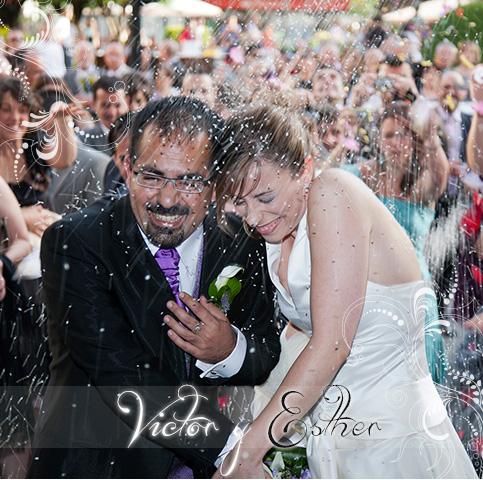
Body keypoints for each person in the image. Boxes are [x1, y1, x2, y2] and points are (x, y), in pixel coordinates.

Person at [213, 106, 476, 478]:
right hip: (336, 440)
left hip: (393, 441)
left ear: (304, 169)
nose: (253, 217)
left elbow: (333, 343)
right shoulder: (280, 225)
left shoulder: (333, 189)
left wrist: (250, 451)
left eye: (265, 197)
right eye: (241, 203)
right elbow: (299, 336)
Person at [29, 97, 281, 478]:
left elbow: (265, 349)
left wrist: (229, 350)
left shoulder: (242, 244)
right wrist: (230, 452)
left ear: (215, 182)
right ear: (127, 167)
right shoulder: (77, 242)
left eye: (190, 181)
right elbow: (122, 374)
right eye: (151, 176)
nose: (166, 199)